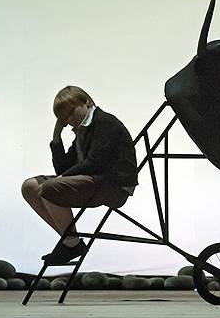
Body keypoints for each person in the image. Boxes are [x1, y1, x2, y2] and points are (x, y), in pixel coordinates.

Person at [21, 86, 138, 264]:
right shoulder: (82, 129)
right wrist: (56, 136)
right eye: (64, 117)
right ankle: (71, 241)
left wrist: (61, 180)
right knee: (30, 187)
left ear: (86, 102)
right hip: (93, 180)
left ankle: (71, 243)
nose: (69, 119)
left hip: (113, 185)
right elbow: (62, 168)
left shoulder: (104, 122)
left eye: (71, 112)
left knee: (48, 188)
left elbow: (94, 163)